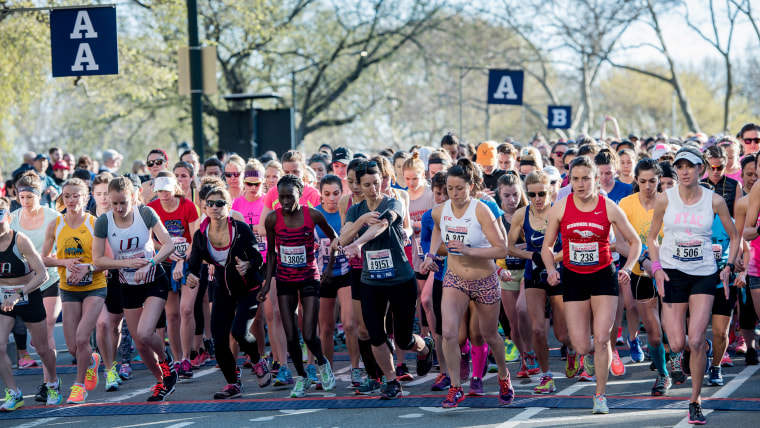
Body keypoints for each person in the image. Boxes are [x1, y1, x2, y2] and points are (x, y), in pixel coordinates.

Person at [542, 155, 641, 414]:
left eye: (586, 178)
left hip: (603, 277)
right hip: (573, 278)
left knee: (601, 338)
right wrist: (551, 268)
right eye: (575, 179)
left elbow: (635, 242)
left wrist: (628, 268)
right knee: (581, 344)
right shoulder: (561, 207)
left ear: (596, 180)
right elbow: (547, 247)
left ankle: (600, 396)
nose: (580, 184)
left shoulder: (607, 207)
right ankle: (587, 359)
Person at [648, 147, 738, 424]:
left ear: (701, 169)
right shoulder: (665, 199)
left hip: (703, 273)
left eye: (691, 166)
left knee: (696, 340)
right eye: (681, 166)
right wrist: (657, 268)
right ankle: (696, 348)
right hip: (673, 272)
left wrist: (729, 267)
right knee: (677, 342)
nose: (685, 171)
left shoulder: (714, 201)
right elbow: (651, 238)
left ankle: (695, 401)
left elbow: (735, 237)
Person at [420, 158, 514, 408]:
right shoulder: (441, 210)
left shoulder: (480, 210)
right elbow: (438, 229)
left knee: (490, 335)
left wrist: (468, 249)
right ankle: (455, 386)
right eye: (450, 188)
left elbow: (502, 249)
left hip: (484, 280)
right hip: (455, 278)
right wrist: (430, 256)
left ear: (471, 186)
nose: (454, 193)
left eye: (459, 188)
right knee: (449, 333)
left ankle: (504, 376)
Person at [338, 160, 434, 400]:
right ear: (358, 186)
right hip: (371, 281)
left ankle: (425, 348)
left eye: (377, 182)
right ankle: (391, 381)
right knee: (375, 334)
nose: (373, 188)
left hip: (400, 279)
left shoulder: (393, 201)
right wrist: (360, 222)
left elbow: (382, 224)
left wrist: (359, 243)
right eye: (367, 184)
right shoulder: (354, 210)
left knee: (403, 338)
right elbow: (342, 238)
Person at [92, 176, 179, 401]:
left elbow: (168, 245)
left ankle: (166, 360)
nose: (119, 208)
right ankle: (162, 382)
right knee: (140, 344)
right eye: (114, 204)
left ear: (133, 197)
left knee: (144, 332)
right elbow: (98, 260)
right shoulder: (103, 221)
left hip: (153, 280)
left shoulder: (146, 214)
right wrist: (126, 264)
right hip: (127, 284)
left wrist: (150, 263)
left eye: (124, 203)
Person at [259, 175, 337, 398]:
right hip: (284, 279)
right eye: (280, 197)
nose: (283, 201)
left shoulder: (312, 214)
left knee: (309, 334)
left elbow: (334, 238)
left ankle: (322, 365)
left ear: (299, 194)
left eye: (288, 196)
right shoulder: (273, 219)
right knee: (292, 336)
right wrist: (266, 285)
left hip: (309, 278)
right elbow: (272, 254)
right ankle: (302, 377)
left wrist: (329, 268)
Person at [186, 186, 267, 399]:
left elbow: (258, 258)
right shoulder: (201, 235)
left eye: (220, 203)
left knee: (239, 332)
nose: (214, 207)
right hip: (222, 289)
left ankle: (258, 360)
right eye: (210, 204)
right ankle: (232, 383)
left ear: (229, 206)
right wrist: (191, 276)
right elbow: (193, 265)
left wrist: (248, 264)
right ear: (204, 208)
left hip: (248, 288)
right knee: (219, 339)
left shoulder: (240, 229)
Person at [41, 178, 109, 404]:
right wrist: (65, 263)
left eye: (76, 196)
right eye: (67, 196)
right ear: (62, 198)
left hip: (94, 287)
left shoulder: (94, 223)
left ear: (85, 197)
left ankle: (78, 387)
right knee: (72, 346)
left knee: (82, 338)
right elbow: (43, 259)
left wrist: (87, 267)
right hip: (68, 289)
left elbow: (108, 260)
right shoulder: (56, 225)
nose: (71, 200)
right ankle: (91, 362)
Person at [508, 171, 574, 393]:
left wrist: (551, 260)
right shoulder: (521, 214)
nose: (537, 198)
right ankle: (546, 376)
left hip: (559, 272)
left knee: (563, 335)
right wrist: (532, 257)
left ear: (551, 191)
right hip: (534, 274)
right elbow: (509, 247)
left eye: (542, 193)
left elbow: (572, 245)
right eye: (532, 194)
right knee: (537, 329)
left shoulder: (561, 211)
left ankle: (574, 351)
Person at [0, 197, 61, 410]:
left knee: (43, 349)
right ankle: (14, 393)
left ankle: (53, 382)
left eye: (0, 218)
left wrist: (19, 293)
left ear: (8, 217)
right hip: (3, 299)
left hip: (28, 295)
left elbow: (42, 274)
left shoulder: (20, 240)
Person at [617, 159, 672, 395]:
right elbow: (619, 243)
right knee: (654, 332)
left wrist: (658, 261)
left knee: (674, 329)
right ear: (635, 181)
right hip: (640, 273)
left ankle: (682, 356)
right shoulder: (626, 204)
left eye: (652, 181)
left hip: (670, 272)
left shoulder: (669, 203)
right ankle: (663, 375)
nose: (648, 186)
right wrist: (642, 260)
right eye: (642, 181)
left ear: (659, 180)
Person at [147, 171, 200, 380]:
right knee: (172, 315)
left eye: (167, 190)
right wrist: (170, 251)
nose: (164, 195)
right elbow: (150, 241)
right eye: (160, 191)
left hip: (189, 260)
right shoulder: (152, 209)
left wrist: (182, 258)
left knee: (186, 310)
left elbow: (196, 238)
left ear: (175, 189)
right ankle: (177, 360)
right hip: (166, 263)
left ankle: (187, 357)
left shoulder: (188, 206)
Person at [315, 174, 360, 384]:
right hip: (323, 276)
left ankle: (356, 368)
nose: (332, 198)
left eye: (336, 193)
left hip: (345, 272)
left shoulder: (347, 212)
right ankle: (328, 371)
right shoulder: (315, 214)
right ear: (320, 195)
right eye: (327, 194)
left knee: (350, 324)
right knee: (325, 328)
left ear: (342, 194)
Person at [702, 145, 741, 217]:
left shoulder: (735, 185)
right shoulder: (699, 185)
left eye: (720, 167)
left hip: (728, 226)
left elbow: (737, 217)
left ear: (725, 164)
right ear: (704, 166)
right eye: (711, 168)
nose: (715, 171)